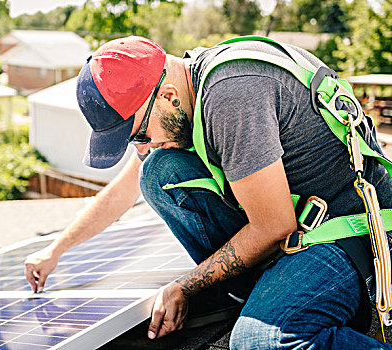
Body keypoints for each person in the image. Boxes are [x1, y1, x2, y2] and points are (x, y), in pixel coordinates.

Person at [25, 36, 392, 348]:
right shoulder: (189, 85)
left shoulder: (231, 97)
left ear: (166, 95)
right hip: (304, 221)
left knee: (258, 342)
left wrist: (187, 286)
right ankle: (249, 289)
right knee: (157, 172)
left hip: (352, 230)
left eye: (138, 135)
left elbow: (273, 225)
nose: (140, 147)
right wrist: (55, 249)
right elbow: (121, 193)